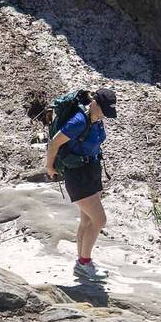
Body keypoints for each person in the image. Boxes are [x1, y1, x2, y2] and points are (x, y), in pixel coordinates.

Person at [45, 88, 117, 281]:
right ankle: (85, 263)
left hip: (92, 170)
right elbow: (54, 143)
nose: (104, 116)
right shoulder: (79, 121)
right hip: (77, 175)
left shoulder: (97, 120)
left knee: (87, 221)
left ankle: (81, 264)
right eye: (103, 111)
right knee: (99, 220)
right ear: (94, 103)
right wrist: (49, 167)